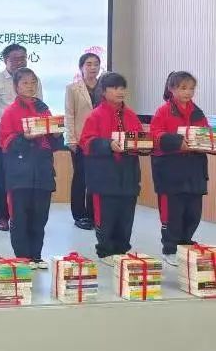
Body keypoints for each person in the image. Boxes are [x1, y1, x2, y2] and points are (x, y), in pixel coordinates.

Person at [79, 72, 143, 265]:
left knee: (126, 216)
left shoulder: (131, 115)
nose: (120, 91)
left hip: (128, 175)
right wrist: (108, 144)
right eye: (115, 88)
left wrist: (144, 145)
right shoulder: (95, 115)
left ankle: (122, 250)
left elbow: (141, 138)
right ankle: (105, 251)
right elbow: (86, 142)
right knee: (106, 216)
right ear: (104, 91)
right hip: (104, 177)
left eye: (122, 88)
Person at [0, 68, 59, 270]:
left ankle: (36, 256)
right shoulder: (10, 112)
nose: (30, 86)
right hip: (19, 173)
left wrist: (57, 134)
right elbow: (5, 142)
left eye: (33, 82)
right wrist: (25, 137)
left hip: (42, 170)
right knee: (19, 217)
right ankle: (23, 257)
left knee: (40, 216)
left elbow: (53, 143)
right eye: (25, 83)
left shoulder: (44, 109)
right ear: (16, 87)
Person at [150, 71, 209, 267]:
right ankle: (170, 249)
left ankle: (185, 245)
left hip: (195, 172)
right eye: (183, 88)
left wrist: (208, 143)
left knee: (193, 213)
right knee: (172, 214)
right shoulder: (163, 111)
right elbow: (155, 136)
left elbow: (206, 135)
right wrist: (177, 142)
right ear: (171, 89)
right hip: (170, 173)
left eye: (191, 88)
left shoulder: (198, 112)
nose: (188, 92)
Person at [0, 44, 42, 232]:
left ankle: (24, 214)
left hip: (32, 131)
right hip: (5, 131)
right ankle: (2, 216)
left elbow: (39, 104)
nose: (20, 62)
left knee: (27, 174)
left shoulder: (34, 80)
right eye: (15, 59)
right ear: (5, 60)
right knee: (2, 175)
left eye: (23, 58)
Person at [65, 52, 102, 231]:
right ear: (81, 67)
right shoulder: (73, 88)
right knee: (81, 177)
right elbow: (69, 115)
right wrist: (71, 139)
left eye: (96, 64)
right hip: (80, 140)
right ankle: (79, 215)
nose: (93, 67)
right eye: (88, 64)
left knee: (97, 177)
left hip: (100, 140)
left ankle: (94, 214)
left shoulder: (106, 87)